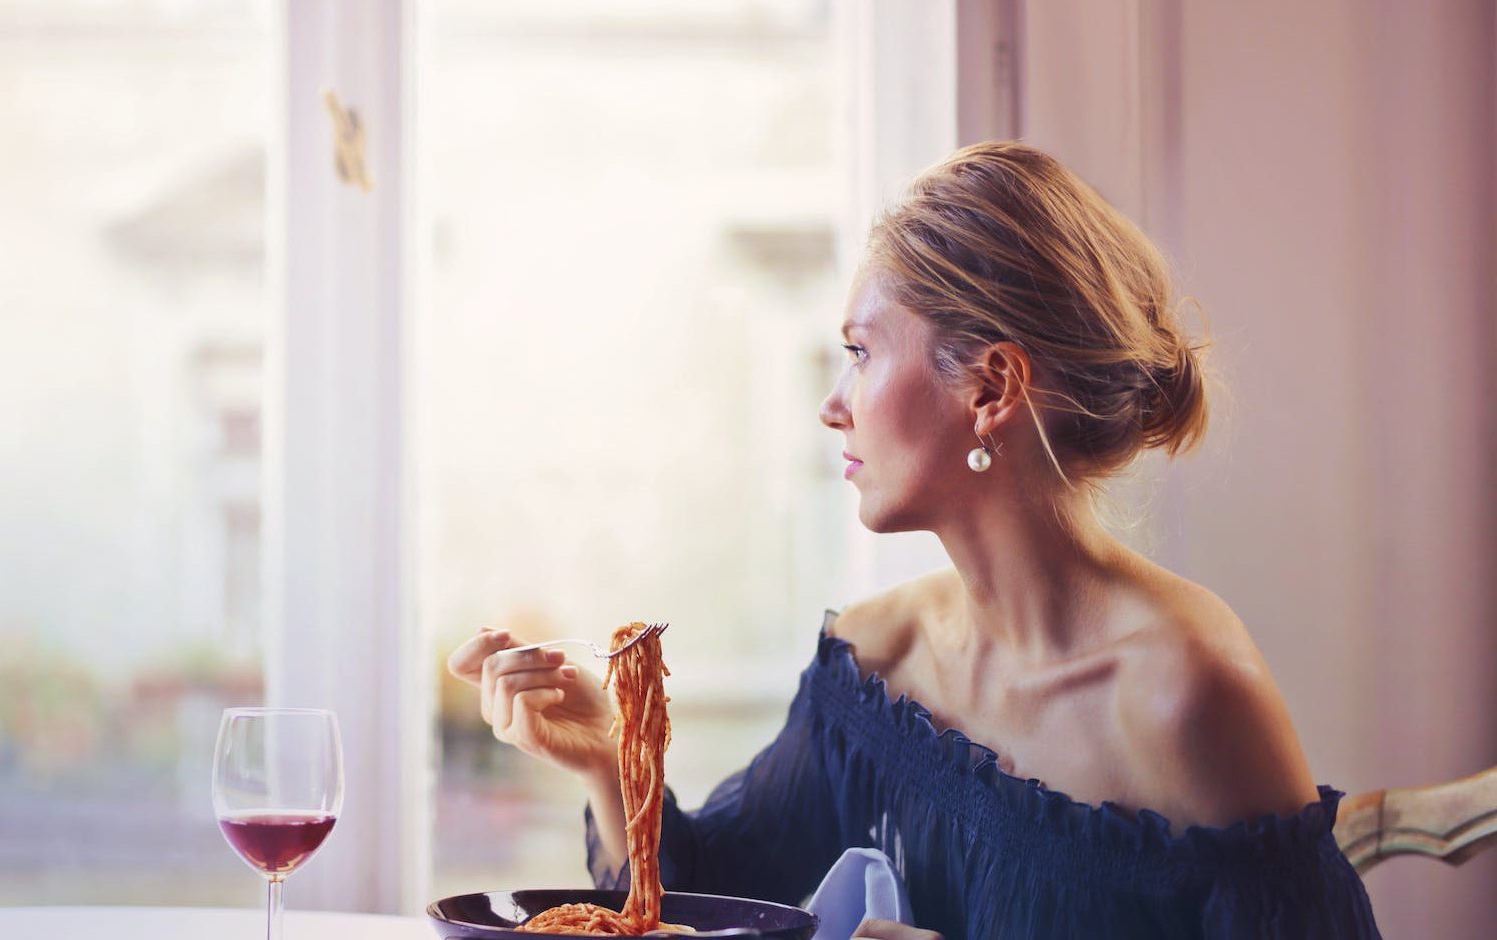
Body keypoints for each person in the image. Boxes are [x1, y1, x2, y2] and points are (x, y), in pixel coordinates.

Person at [447, 141, 1381, 939]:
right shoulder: (874, 666)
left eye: (859, 351)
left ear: (991, 389)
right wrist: (610, 760)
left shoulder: (1188, 693)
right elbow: (712, 895)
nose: (832, 404)